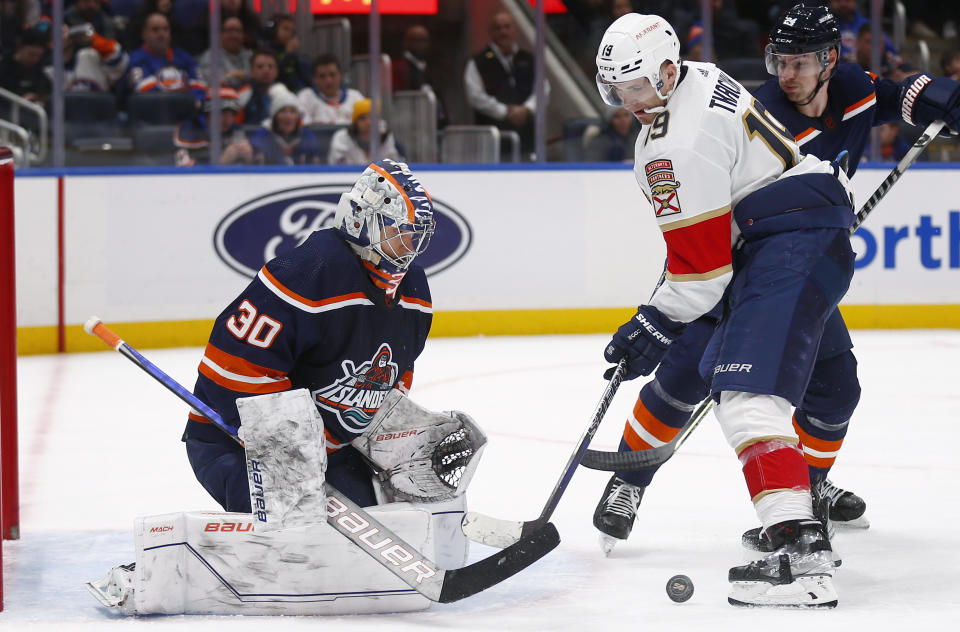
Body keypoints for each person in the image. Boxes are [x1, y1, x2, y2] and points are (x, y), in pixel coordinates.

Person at [592, 11, 860, 608]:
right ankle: (793, 498)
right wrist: (663, 316)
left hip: (773, 251)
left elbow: (701, 275)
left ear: (666, 71)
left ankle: (797, 551)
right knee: (830, 385)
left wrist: (652, 322)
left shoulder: (668, 149)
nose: (626, 101)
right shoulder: (703, 76)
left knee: (746, 396)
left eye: (635, 86)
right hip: (799, 238)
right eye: (615, 89)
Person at [182, 159, 435, 512]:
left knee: (383, 520)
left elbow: (396, 377)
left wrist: (398, 437)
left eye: (418, 236)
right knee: (297, 532)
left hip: (329, 453)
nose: (411, 246)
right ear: (362, 220)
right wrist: (290, 447)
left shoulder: (414, 294)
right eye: (401, 232)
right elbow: (230, 367)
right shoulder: (307, 273)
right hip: (236, 445)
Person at [463, 10, 549, 158]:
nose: (503, 32)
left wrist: (526, 109)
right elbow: (475, 96)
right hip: (493, 135)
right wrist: (504, 111)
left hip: (527, 135)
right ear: (490, 32)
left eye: (507, 27)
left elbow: (543, 89)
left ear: (514, 29)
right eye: (498, 28)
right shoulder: (478, 61)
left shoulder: (529, 59)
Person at [124, 12, 205, 102]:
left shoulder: (183, 57)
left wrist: (196, 99)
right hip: (154, 111)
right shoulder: (135, 59)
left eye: (165, 29)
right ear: (144, 34)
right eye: (155, 30)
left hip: (185, 111)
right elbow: (144, 89)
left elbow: (199, 85)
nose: (161, 34)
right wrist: (181, 91)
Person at [174, 86, 253, 166]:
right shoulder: (188, 132)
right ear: (208, 113)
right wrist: (223, 161)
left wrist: (252, 157)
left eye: (232, 115)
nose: (228, 120)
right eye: (222, 113)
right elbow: (183, 172)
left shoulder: (236, 129)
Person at [391, 23, 449, 127]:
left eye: (425, 41)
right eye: (417, 40)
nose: (422, 45)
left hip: (431, 124)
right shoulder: (399, 67)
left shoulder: (430, 67)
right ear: (406, 42)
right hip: (409, 124)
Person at [247, 89, 320, 165]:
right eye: (282, 111)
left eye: (292, 111)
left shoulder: (307, 136)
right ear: (274, 116)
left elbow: (315, 165)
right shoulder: (262, 136)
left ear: (298, 117)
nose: (288, 116)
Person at [327, 98, 403, 165]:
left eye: (373, 117)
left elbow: (393, 165)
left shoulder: (386, 136)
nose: (368, 122)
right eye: (362, 118)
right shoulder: (342, 137)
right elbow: (337, 167)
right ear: (355, 122)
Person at [58, 21, 129, 91]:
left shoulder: (90, 55)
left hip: (99, 101)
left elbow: (119, 59)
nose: (63, 36)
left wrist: (93, 38)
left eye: (64, 32)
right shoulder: (49, 69)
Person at [297, 53, 366, 125]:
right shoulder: (305, 97)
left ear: (340, 76)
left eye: (332, 75)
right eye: (322, 76)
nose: (328, 81)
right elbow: (303, 127)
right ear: (315, 79)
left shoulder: (355, 97)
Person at [0, 23, 51, 105]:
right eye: (31, 54)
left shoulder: (38, 70)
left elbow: (46, 89)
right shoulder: (4, 69)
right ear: (20, 47)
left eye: (39, 56)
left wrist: (38, 97)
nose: (35, 59)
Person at [197, 16, 251, 89]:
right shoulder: (210, 56)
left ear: (243, 35)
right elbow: (216, 81)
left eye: (238, 31)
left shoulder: (250, 56)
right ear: (220, 34)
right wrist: (243, 76)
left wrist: (232, 74)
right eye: (229, 30)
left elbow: (259, 78)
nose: (234, 35)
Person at [262, 12, 310, 93]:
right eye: (286, 29)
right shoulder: (265, 51)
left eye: (292, 31)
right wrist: (288, 53)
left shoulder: (292, 52)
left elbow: (305, 77)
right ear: (273, 31)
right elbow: (275, 74)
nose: (289, 34)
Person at [237, 48, 282, 125]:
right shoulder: (243, 94)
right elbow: (235, 127)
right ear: (251, 71)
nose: (266, 70)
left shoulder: (284, 94)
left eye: (270, 66)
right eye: (260, 66)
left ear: (276, 71)